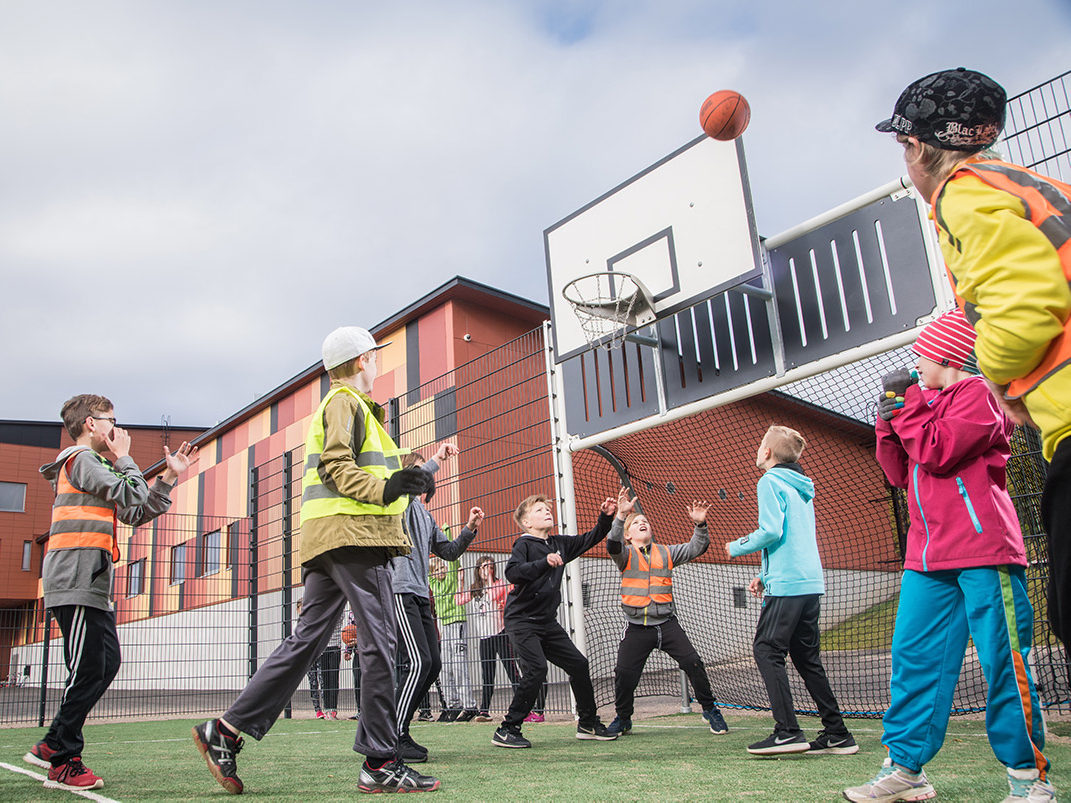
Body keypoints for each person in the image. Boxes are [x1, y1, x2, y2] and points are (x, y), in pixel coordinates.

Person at [192, 326, 441, 794]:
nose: (377, 362)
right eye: (374, 355)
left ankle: (224, 730)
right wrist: (387, 488)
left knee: (306, 641)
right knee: (381, 643)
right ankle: (381, 761)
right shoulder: (345, 402)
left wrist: (406, 476)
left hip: (327, 540)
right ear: (363, 360)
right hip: (354, 538)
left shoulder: (348, 407)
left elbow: (356, 470)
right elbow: (336, 466)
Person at [877, 67, 1071, 669]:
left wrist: (995, 374)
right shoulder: (1029, 184)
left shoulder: (962, 193)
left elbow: (1026, 305)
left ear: (915, 147)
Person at [843, 310, 1052, 802]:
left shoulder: (979, 395)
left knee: (1004, 661)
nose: (913, 363)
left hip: (984, 550)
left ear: (945, 355)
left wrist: (910, 408)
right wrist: (886, 423)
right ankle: (906, 769)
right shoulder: (926, 402)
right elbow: (898, 472)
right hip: (926, 556)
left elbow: (938, 451)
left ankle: (1029, 780)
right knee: (913, 660)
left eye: (921, 354)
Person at [24, 395, 197, 792]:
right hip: (75, 579)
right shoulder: (81, 460)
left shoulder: (94, 465)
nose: (118, 428)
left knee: (104, 663)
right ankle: (59, 750)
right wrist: (124, 459)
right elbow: (132, 494)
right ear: (91, 424)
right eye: (112, 420)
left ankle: (58, 749)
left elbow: (136, 511)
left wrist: (169, 477)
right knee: (88, 667)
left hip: (91, 582)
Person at [724, 426, 856, 757]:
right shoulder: (800, 488)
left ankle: (787, 731)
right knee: (806, 657)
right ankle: (838, 733)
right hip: (809, 582)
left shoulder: (769, 481)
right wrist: (765, 576)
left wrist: (735, 547)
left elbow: (771, 531)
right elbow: (792, 541)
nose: (757, 450)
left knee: (766, 649)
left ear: (767, 452)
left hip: (790, 584)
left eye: (759, 445)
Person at [492, 493, 618, 748]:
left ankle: (587, 723)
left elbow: (590, 538)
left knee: (579, 665)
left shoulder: (559, 543)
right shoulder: (524, 544)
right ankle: (507, 729)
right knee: (537, 669)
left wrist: (605, 518)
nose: (547, 512)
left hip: (546, 622)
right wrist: (543, 563)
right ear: (527, 522)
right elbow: (512, 572)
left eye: (548, 509)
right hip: (522, 620)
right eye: (539, 510)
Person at [605, 488, 729, 737]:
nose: (642, 523)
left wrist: (700, 524)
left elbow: (697, 547)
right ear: (628, 535)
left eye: (645, 522)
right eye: (636, 522)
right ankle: (623, 718)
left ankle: (710, 710)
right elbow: (611, 543)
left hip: (667, 625)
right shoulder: (625, 554)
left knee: (693, 662)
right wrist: (621, 516)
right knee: (624, 673)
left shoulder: (667, 552)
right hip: (637, 627)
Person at [391, 435, 481, 760]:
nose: (424, 479)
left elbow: (448, 551)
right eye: (418, 474)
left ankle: (399, 730)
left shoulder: (425, 517)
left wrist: (469, 529)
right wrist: (438, 458)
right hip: (399, 591)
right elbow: (408, 483)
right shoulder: (395, 503)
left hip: (419, 594)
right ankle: (392, 734)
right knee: (418, 661)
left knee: (433, 664)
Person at [455, 555, 519, 721]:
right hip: (485, 638)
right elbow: (458, 601)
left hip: (501, 634)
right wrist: (460, 582)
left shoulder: (499, 584)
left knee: (512, 671)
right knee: (487, 675)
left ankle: (523, 706)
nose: (487, 570)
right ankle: (484, 711)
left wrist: (490, 579)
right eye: (484, 567)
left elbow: (493, 595)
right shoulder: (475, 589)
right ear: (478, 569)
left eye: (490, 567)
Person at [429, 556, 479, 722]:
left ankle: (470, 706)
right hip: (445, 626)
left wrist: (446, 530)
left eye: (442, 567)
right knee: (445, 667)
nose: (441, 571)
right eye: (436, 570)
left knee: (459, 666)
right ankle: (452, 705)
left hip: (457, 622)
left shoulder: (450, 578)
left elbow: (452, 559)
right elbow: (425, 572)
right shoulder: (434, 585)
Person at [341, 608, 361, 719]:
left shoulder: (371, 607)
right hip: (358, 653)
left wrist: (360, 640)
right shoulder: (352, 613)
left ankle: (372, 712)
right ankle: (360, 711)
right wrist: (348, 650)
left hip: (372, 652)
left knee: (370, 683)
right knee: (358, 682)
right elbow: (349, 632)